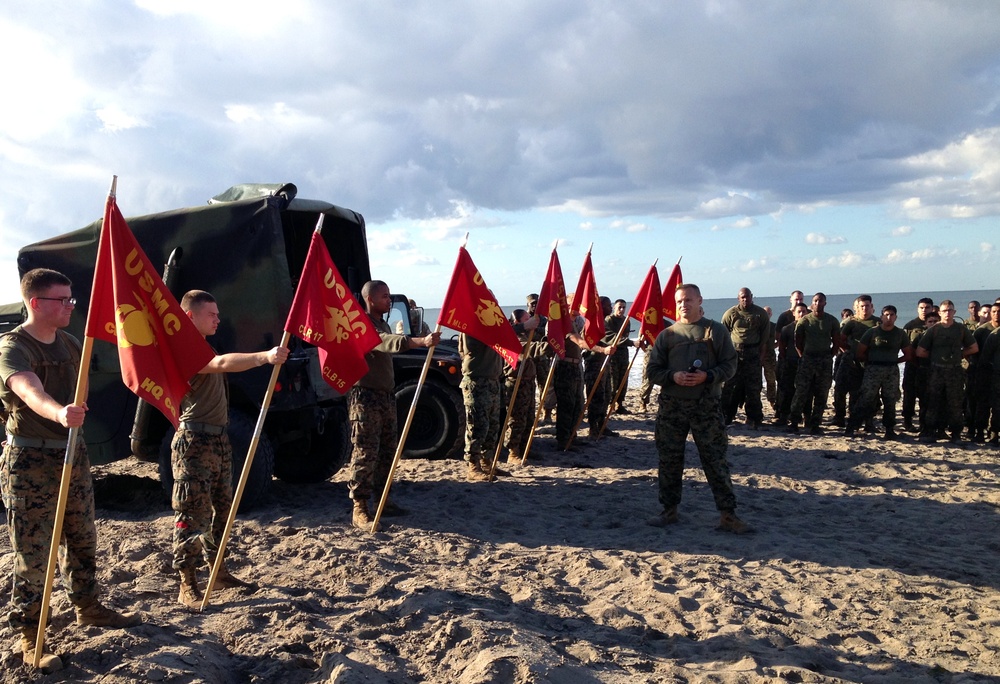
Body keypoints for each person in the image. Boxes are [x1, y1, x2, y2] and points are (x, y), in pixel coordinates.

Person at [1, 268, 141, 672]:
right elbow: (28, 390)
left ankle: (88, 607)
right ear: (35, 303)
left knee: (82, 539)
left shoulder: (70, 343)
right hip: (30, 463)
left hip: (72, 456)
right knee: (33, 555)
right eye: (61, 300)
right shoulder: (12, 347)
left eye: (71, 299)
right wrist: (59, 413)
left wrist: (70, 421)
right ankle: (31, 636)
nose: (70, 306)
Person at [172, 290, 290, 609]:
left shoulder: (203, 345)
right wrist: (264, 357)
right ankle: (187, 583)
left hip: (217, 441)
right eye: (211, 314)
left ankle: (218, 573)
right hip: (193, 443)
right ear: (189, 316)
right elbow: (222, 363)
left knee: (222, 512)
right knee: (192, 515)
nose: (217, 319)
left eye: (217, 314)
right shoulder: (184, 348)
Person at [645, 283, 750, 534]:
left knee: (715, 460)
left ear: (699, 300)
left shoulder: (715, 331)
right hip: (672, 406)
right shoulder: (667, 335)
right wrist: (673, 376)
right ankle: (669, 510)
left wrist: (709, 376)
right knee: (669, 459)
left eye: (689, 300)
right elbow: (652, 371)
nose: (684, 304)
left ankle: (728, 515)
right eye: (680, 301)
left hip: (706, 406)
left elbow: (730, 365)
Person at [348, 281, 439, 525]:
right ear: (370, 299)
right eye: (384, 296)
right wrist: (419, 342)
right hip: (365, 397)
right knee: (366, 452)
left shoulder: (382, 322)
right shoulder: (363, 324)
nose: (389, 301)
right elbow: (383, 341)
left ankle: (383, 499)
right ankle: (360, 506)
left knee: (388, 451)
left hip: (385, 396)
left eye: (389, 296)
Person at [915, 300, 978, 443]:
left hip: (955, 370)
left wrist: (960, 354)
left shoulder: (961, 329)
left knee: (955, 403)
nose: (947, 313)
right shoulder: (934, 330)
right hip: (936, 370)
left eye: (950, 310)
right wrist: (936, 357)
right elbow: (920, 351)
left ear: (954, 312)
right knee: (933, 401)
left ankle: (956, 433)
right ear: (940, 312)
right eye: (944, 311)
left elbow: (974, 347)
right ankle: (930, 431)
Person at [847, 305, 912, 440]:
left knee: (890, 399)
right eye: (886, 315)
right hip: (873, 370)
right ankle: (852, 426)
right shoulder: (872, 332)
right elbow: (860, 352)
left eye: (892, 315)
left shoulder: (900, 334)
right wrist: (873, 362)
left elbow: (908, 354)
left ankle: (889, 429)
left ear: (896, 317)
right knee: (866, 398)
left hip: (891, 371)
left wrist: (894, 361)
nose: (889, 318)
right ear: (881, 316)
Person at [788, 293, 841, 435]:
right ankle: (794, 422)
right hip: (808, 359)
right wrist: (803, 356)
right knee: (801, 392)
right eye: (815, 301)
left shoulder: (831, 321)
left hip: (824, 360)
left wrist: (830, 355)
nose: (817, 303)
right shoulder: (805, 321)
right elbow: (797, 342)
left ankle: (815, 424)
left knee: (822, 393)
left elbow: (837, 341)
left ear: (825, 303)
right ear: (812, 303)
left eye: (820, 301)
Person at [502, 309, 548, 466]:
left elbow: (540, 339)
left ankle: (524, 448)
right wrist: (547, 347)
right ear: (518, 322)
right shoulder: (512, 337)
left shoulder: (528, 335)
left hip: (528, 381)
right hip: (516, 381)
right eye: (527, 319)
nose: (532, 321)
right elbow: (528, 350)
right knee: (516, 419)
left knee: (528, 418)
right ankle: (513, 452)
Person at [720, 287, 769, 429]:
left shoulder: (760, 314)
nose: (745, 299)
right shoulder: (731, 313)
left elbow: (764, 337)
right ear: (738, 298)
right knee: (729, 386)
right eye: (742, 297)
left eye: (747, 297)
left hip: (753, 353)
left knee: (753, 387)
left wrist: (761, 355)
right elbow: (723, 334)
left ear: (752, 296)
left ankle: (754, 418)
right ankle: (726, 415)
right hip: (734, 353)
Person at [833, 295, 879, 427]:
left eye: (867, 306)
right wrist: (848, 350)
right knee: (840, 388)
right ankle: (839, 416)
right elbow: (840, 339)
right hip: (850, 361)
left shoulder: (877, 323)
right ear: (857, 308)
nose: (865, 309)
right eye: (862, 306)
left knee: (867, 391)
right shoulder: (850, 322)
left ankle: (865, 419)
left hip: (869, 361)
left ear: (872, 307)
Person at [583, 297, 618, 439]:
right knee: (595, 396)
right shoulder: (594, 323)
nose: (611, 307)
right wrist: (629, 342)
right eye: (608, 305)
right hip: (594, 364)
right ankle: (593, 428)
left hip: (605, 363)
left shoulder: (605, 322)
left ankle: (602, 425)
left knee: (606, 396)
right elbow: (606, 337)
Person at [901, 298, 934, 431]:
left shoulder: (936, 324)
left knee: (926, 396)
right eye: (922, 308)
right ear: (917, 309)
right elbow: (904, 346)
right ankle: (907, 421)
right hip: (912, 366)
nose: (924, 310)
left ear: (932, 308)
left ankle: (924, 422)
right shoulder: (910, 326)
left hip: (929, 367)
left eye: (927, 308)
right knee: (909, 395)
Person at [774, 302, 809, 426]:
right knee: (787, 390)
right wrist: (785, 361)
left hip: (806, 363)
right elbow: (782, 347)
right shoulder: (787, 329)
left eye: (804, 311)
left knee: (806, 391)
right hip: (790, 362)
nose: (801, 314)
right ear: (793, 313)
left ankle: (806, 417)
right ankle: (783, 416)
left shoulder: (811, 328)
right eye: (799, 311)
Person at [526, 293, 555, 422]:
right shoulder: (523, 317)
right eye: (532, 304)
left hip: (542, 356)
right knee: (527, 387)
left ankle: (547, 413)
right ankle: (530, 415)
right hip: (528, 357)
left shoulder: (544, 319)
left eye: (537, 303)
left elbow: (548, 333)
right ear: (527, 304)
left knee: (546, 385)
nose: (535, 306)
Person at [606, 299, 632, 414]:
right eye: (619, 307)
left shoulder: (626, 321)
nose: (621, 310)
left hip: (623, 353)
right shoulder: (609, 320)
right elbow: (612, 337)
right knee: (613, 380)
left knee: (623, 378)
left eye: (623, 307)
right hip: (613, 353)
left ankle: (619, 403)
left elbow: (625, 336)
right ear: (614, 308)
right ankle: (610, 403)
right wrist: (630, 342)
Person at [761, 306, 778, 411]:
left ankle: (772, 400)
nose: (766, 315)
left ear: (771, 315)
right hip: (757, 355)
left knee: (771, 379)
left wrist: (773, 347)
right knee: (756, 381)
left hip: (770, 355)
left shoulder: (774, 327)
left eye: (768, 313)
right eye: (765, 313)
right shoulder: (757, 326)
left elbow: (780, 339)